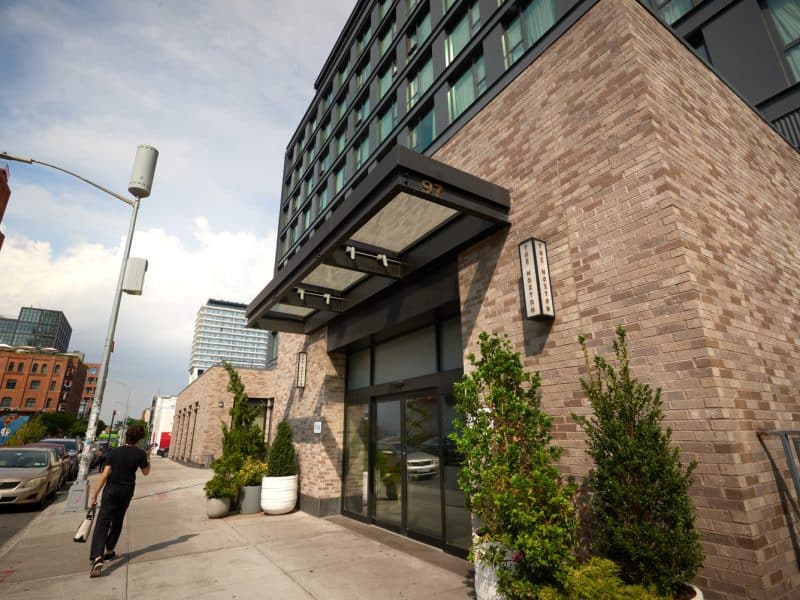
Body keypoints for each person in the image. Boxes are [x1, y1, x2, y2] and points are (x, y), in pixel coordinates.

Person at [88, 424, 150, 578]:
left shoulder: (114, 452)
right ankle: (109, 551)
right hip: (127, 491)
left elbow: (105, 475)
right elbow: (146, 472)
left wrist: (94, 494)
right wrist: (147, 458)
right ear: (138, 439)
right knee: (118, 520)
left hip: (111, 490)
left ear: (126, 436)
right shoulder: (140, 454)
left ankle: (97, 557)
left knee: (103, 521)